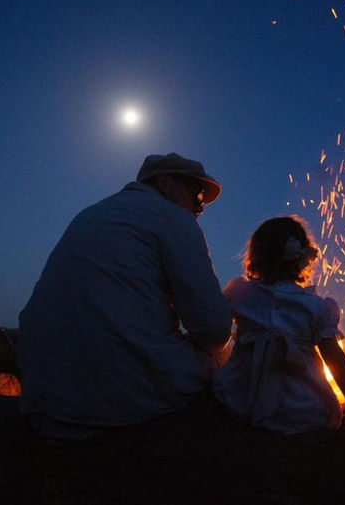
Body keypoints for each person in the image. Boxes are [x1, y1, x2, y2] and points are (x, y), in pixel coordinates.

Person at [18, 153, 233, 441]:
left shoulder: (92, 214)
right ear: (165, 182)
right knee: (223, 361)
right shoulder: (172, 217)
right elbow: (213, 328)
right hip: (118, 397)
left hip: (45, 396)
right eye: (196, 193)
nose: (198, 206)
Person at [213, 216, 345, 435]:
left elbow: (213, 324)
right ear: (302, 258)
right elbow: (333, 356)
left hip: (241, 398)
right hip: (300, 408)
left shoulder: (239, 293)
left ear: (255, 255)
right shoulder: (315, 306)